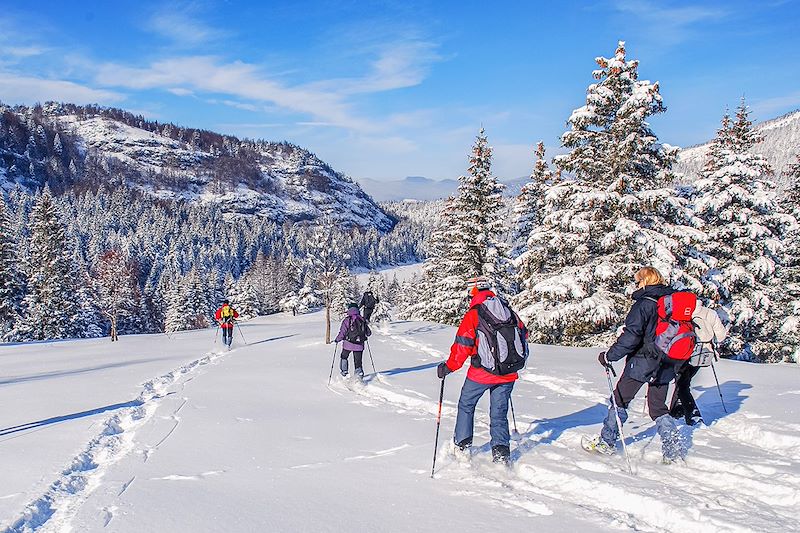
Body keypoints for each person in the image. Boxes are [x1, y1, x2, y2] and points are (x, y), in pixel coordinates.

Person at [585, 267, 685, 464]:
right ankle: (673, 452)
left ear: (644, 282)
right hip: (667, 361)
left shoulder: (644, 304)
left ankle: (607, 442)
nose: (635, 285)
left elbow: (632, 336)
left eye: (637, 281)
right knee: (657, 407)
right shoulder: (670, 302)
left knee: (619, 399)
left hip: (643, 360)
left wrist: (610, 355)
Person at [437, 278, 528, 465]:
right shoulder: (507, 310)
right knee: (499, 412)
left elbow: (463, 344)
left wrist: (448, 367)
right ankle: (501, 454)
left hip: (481, 373)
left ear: (473, 293)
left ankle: (462, 446)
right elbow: (524, 334)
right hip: (507, 373)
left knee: (466, 405)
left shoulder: (474, 314)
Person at [670, 302, 727, 425]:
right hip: (704, 353)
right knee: (684, 382)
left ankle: (691, 413)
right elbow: (721, 336)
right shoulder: (710, 313)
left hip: (686, 352)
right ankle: (677, 410)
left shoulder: (683, 313)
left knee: (682, 384)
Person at [335, 303, 372, 379]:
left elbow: (342, 332)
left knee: (344, 357)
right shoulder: (362, 319)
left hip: (348, 344)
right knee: (358, 361)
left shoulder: (347, 320)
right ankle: (359, 376)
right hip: (359, 344)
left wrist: (337, 339)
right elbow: (369, 333)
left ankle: (344, 372)